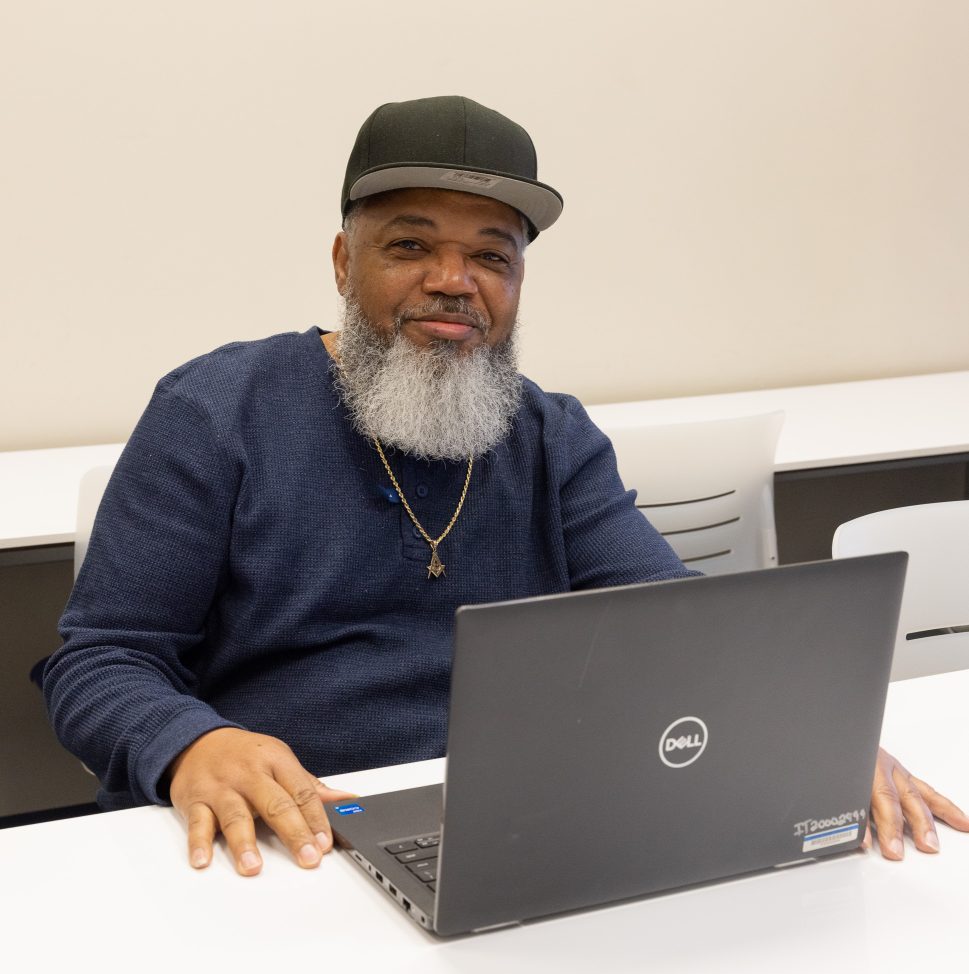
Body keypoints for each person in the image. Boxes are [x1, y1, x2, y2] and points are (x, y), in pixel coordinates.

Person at [43, 95, 968, 877]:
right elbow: (100, 659)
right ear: (341, 262)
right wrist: (192, 744)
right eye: (410, 245)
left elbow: (671, 618)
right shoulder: (218, 411)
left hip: (518, 824)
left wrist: (805, 734)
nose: (453, 282)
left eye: (491, 255)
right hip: (290, 837)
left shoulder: (548, 432)